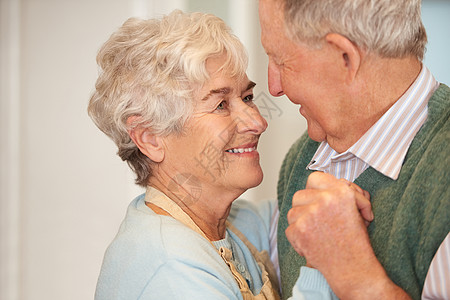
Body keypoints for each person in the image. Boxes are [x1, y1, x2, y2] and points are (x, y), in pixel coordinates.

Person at [88, 10, 374, 300]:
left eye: (247, 98)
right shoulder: (170, 268)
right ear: (149, 138)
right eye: (221, 105)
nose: (258, 122)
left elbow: (309, 213)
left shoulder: (237, 225)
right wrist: (319, 266)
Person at [258, 0, 449, 299]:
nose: (274, 87)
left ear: (344, 57)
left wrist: (357, 278)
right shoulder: (301, 160)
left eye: (281, 61)